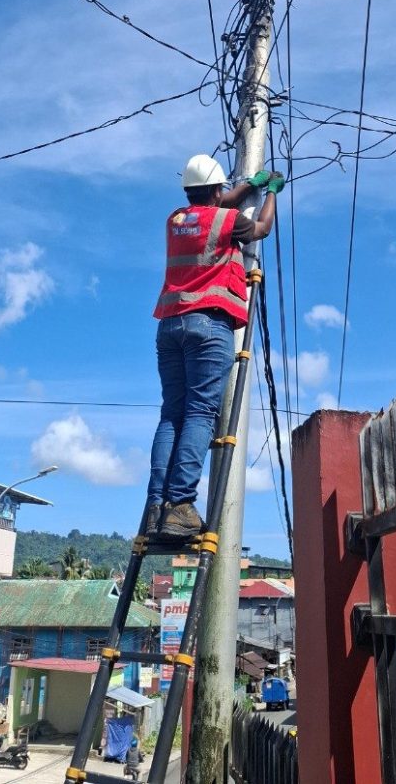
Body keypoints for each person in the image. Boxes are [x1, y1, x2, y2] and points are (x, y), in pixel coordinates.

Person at [147, 153, 284, 540]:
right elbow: (260, 228)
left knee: (171, 414)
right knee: (201, 413)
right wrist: (270, 193)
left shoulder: (175, 220)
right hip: (210, 323)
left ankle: (158, 504)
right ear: (215, 189)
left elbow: (216, 203)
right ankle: (181, 505)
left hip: (169, 325)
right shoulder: (227, 220)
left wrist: (250, 184)